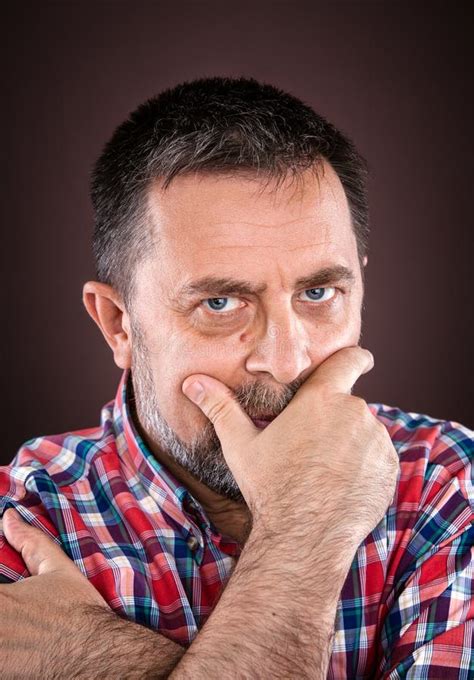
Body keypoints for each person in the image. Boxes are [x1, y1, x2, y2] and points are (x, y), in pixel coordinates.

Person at [0, 76, 472, 679]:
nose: (287, 361)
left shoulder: (451, 491)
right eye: (221, 303)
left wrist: (95, 655)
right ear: (118, 324)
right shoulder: (25, 521)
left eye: (319, 292)